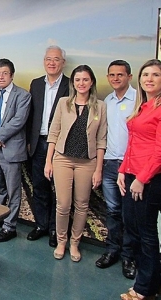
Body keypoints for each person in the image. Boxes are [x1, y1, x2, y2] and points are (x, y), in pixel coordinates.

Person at [45, 65, 107, 262]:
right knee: (63, 204)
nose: (81, 83)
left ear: (91, 82)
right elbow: (53, 133)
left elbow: (101, 140)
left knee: (81, 204)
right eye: (77, 80)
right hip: (62, 158)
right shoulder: (64, 103)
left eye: (85, 80)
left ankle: (74, 243)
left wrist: (98, 169)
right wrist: (48, 161)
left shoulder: (100, 106)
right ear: (73, 83)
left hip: (86, 162)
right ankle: (62, 241)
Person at [118, 59, 161, 300]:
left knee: (146, 235)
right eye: (146, 74)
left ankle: (144, 290)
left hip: (150, 179)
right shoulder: (143, 107)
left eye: (155, 74)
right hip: (133, 174)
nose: (149, 78)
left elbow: (159, 151)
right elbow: (133, 143)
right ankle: (151, 281)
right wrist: (124, 171)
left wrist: (142, 178)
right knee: (134, 229)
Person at [95, 60, 136, 279]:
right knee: (112, 211)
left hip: (131, 165)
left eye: (120, 75)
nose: (115, 78)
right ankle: (112, 251)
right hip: (111, 163)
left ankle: (129, 257)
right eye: (112, 75)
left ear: (129, 76)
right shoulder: (107, 102)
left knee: (129, 214)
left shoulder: (139, 100)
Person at [0, 58, 31, 242]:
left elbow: (18, 120)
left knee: (13, 191)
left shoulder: (23, 95)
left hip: (11, 150)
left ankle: (10, 227)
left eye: (4, 73)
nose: (1, 77)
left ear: (12, 75)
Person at [26, 45, 69, 247]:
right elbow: (30, 115)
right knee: (40, 187)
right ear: (44, 62)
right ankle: (41, 225)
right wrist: (28, 142)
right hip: (38, 144)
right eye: (48, 59)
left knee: (59, 191)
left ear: (63, 63)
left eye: (56, 59)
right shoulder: (36, 84)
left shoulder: (70, 85)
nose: (52, 63)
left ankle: (55, 229)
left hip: (61, 147)